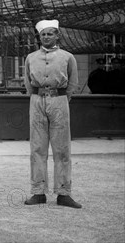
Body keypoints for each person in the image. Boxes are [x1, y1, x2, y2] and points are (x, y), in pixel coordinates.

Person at [23, 19, 81, 208]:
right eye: (43, 34)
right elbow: (27, 82)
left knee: (62, 149)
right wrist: (36, 98)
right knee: (37, 148)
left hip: (59, 101)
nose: (46, 37)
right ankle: (38, 192)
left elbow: (73, 81)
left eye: (50, 33)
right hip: (37, 101)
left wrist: (63, 98)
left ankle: (64, 193)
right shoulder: (31, 57)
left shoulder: (67, 57)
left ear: (57, 35)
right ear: (39, 37)